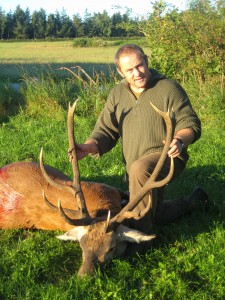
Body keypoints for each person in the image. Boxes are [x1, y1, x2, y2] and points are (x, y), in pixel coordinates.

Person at [72, 44, 207, 234]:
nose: (137, 73)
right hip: (134, 167)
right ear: (120, 72)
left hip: (166, 156)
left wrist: (180, 139)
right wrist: (88, 147)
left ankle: (141, 239)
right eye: (130, 70)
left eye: (140, 65)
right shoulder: (117, 94)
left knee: (140, 173)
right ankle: (194, 202)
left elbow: (190, 122)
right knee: (153, 211)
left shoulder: (168, 88)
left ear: (146, 61)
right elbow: (106, 129)